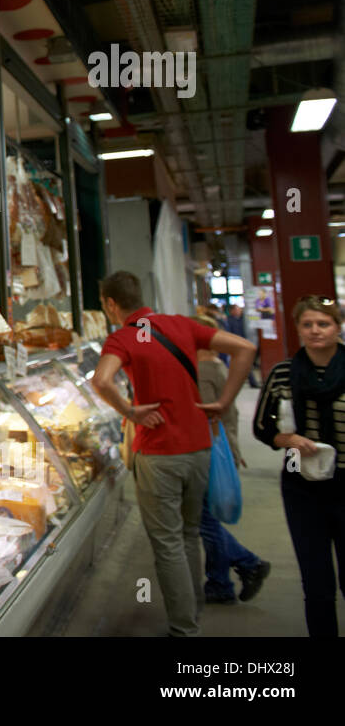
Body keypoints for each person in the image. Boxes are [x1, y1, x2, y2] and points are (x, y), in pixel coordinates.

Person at [91, 271, 256, 637]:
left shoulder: (123, 337)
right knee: (188, 534)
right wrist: (224, 401)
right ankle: (191, 613)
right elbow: (246, 349)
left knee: (167, 543)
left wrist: (130, 411)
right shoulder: (180, 325)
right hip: (198, 448)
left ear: (111, 304)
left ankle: (184, 628)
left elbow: (101, 380)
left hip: (158, 452)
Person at [252, 295, 345, 637]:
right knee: (317, 582)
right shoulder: (283, 374)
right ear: (297, 329)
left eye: (324, 323)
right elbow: (262, 428)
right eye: (307, 325)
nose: (315, 331)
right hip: (301, 486)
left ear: (338, 326)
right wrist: (288, 440)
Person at [193, 314, 270, 605]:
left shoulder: (202, 370)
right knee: (206, 517)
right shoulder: (217, 364)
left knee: (204, 520)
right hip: (223, 445)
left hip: (210, 450)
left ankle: (248, 563)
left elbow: (205, 414)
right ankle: (219, 582)